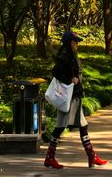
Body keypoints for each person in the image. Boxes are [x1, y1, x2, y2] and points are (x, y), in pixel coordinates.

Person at [44, 31, 108, 169]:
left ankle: (92, 157)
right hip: (68, 99)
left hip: (75, 97)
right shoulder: (65, 56)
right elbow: (56, 73)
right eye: (75, 41)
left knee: (83, 126)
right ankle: (49, 158)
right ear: (69, 43)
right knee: (60, 127)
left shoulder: (72, 55)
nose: (77, 44)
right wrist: (70, 79)